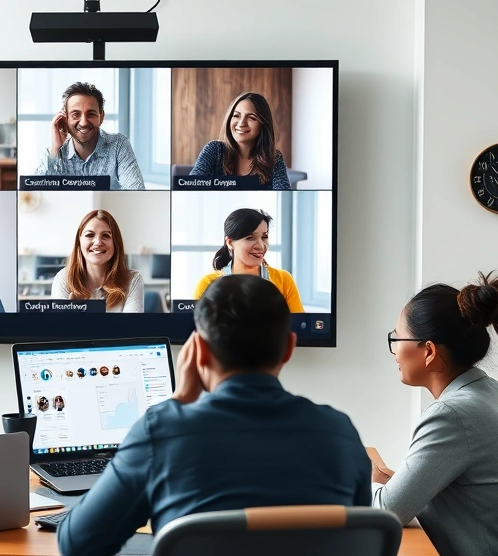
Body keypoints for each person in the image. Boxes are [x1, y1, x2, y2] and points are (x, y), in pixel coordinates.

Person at [57, 275, 372, 556]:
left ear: (199, 350)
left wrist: (178, 400)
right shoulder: (340, 433)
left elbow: (77, 545)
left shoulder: (162, 431)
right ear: (289, 347)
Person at [373, 271, 498, 556]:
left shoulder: (452, 414)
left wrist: (360, 480)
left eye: (397, 338)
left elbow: (386, 513)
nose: (394, 351)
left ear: (429, 351)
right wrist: (400, 485)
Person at [35, 82, 145, 190]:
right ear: (65, 119)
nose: (83, 123)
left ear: (101, 117)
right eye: (75, 115)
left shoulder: (118, 145)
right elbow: (33, 198)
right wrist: (55, 150)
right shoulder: (50, 153)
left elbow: (136, 193)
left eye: (91, 114)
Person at [193, 208, 303, 313]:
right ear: (230, 243)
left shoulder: (283, 280)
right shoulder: (208, 284)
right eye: (250, 238)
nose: (261, 246)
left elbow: (298, 326)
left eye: (264, 237)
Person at [190, 92, 292, 189]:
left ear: (263, 125)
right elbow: (190, 188)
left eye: (251, 118)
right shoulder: (215, 150)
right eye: (236, 116)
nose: (241, 123)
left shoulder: (274, 159)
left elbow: (285, 198)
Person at [50, 210, 143, 313]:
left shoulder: (133, 280)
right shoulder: (63, 280)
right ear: (79, 242)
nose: (98, 242)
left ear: (116, 243)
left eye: (106, 236)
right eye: (90, 235)